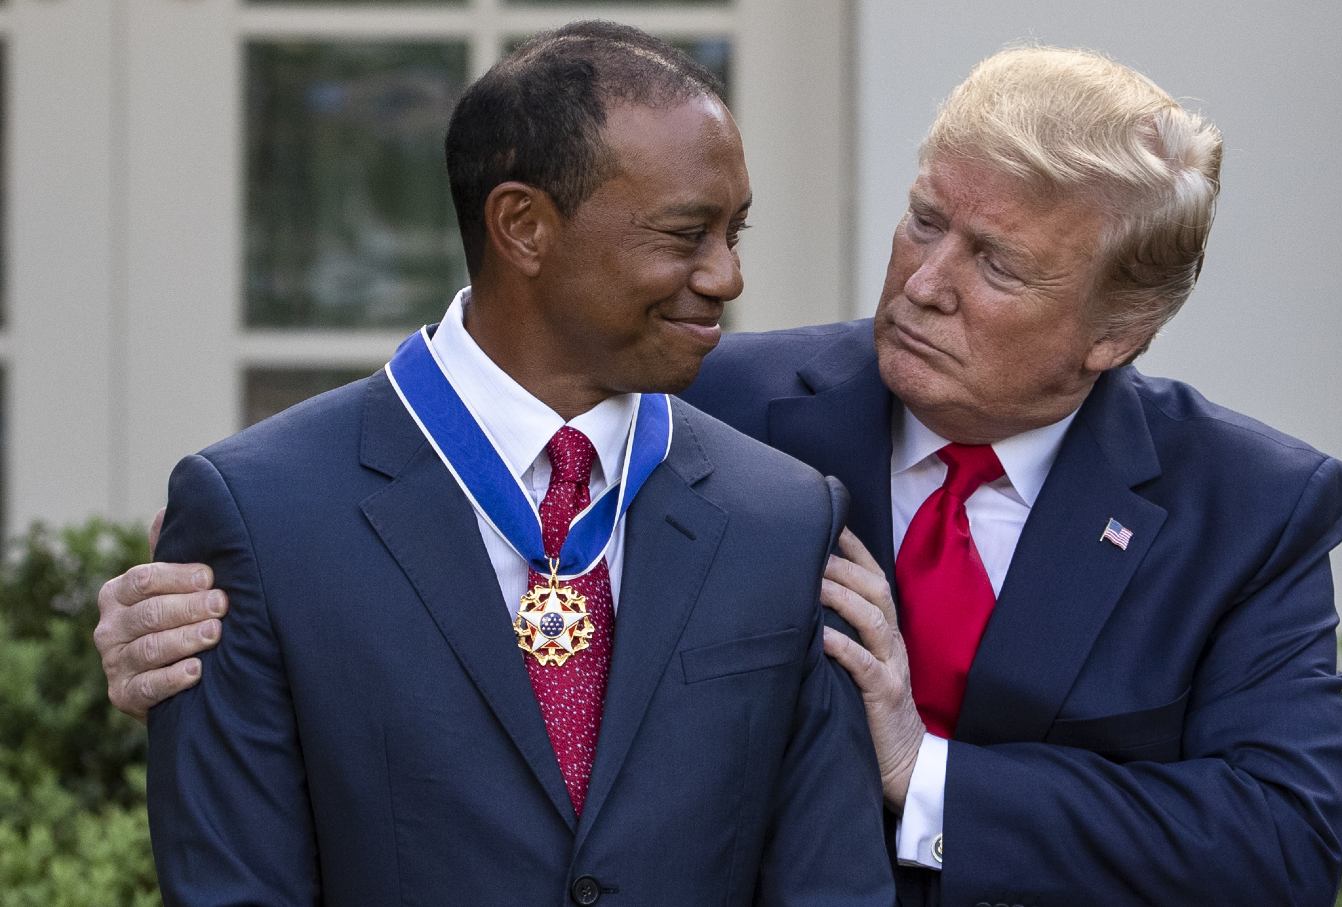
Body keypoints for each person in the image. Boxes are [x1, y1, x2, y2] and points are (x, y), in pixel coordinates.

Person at [98, 43, 1342, 906]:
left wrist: (923, 773)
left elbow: (1281, 842)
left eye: (998, 264)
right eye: (926, 219)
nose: (924, 281)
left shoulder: (1253, 508)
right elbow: (457, 426)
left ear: (1117, 332)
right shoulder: (709, 398)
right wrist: (218, 608)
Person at [132, 21, 895, 906]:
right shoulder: (262, 515)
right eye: (687, 233)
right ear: (523, 226)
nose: (726, 276)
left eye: (735, 233)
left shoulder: (785, 518)